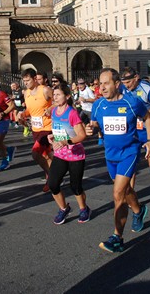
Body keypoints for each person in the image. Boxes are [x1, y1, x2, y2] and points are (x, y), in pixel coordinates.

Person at [88, 68, 150, 253]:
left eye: (106, 83)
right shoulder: (98, 105)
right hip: (110, 155)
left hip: (129, 152)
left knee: (117, 193)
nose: (102, 87)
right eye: (100, 83)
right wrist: (90, 130)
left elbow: (148, 118)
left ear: (117, 84)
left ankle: (117, 237)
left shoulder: (131, 101)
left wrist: (149, 140)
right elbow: (94, 125)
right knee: (126, 191)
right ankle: (138, 210)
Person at [119, 67, 150, 201]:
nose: (126, 86)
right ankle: (130, 193)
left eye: (128, 82)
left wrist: (144, 114)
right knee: (131, 163)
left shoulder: (147, 89)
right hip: (132, 130)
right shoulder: (122, 89)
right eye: (124, 83)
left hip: (149, 129)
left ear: (136, 78)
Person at [47, 83, 90, 224]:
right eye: (54, 95)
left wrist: (66, 142)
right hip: (60, 153)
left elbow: (81, 135)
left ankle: (83, 209)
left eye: (58, 95)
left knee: (75, 186)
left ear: (67, 96)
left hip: (75, 154)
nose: (55, 97)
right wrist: (52, 136)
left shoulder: (72, 113)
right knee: (53, 184)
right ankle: (64, 208)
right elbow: (59, 129)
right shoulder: (54, 111)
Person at [17, 68, 53, 192]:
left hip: (47, 128)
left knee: (35, 153)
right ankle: (52, 176)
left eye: (28, 80)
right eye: (24, 81)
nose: (26, 83)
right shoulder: (26, 93)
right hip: (35, 128)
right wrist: (23, 114)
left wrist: (50, 109)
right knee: (46, 155)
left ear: (34, 79)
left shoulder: (45, 90)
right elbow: (30, 110)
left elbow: (60, 102)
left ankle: (52, 177)